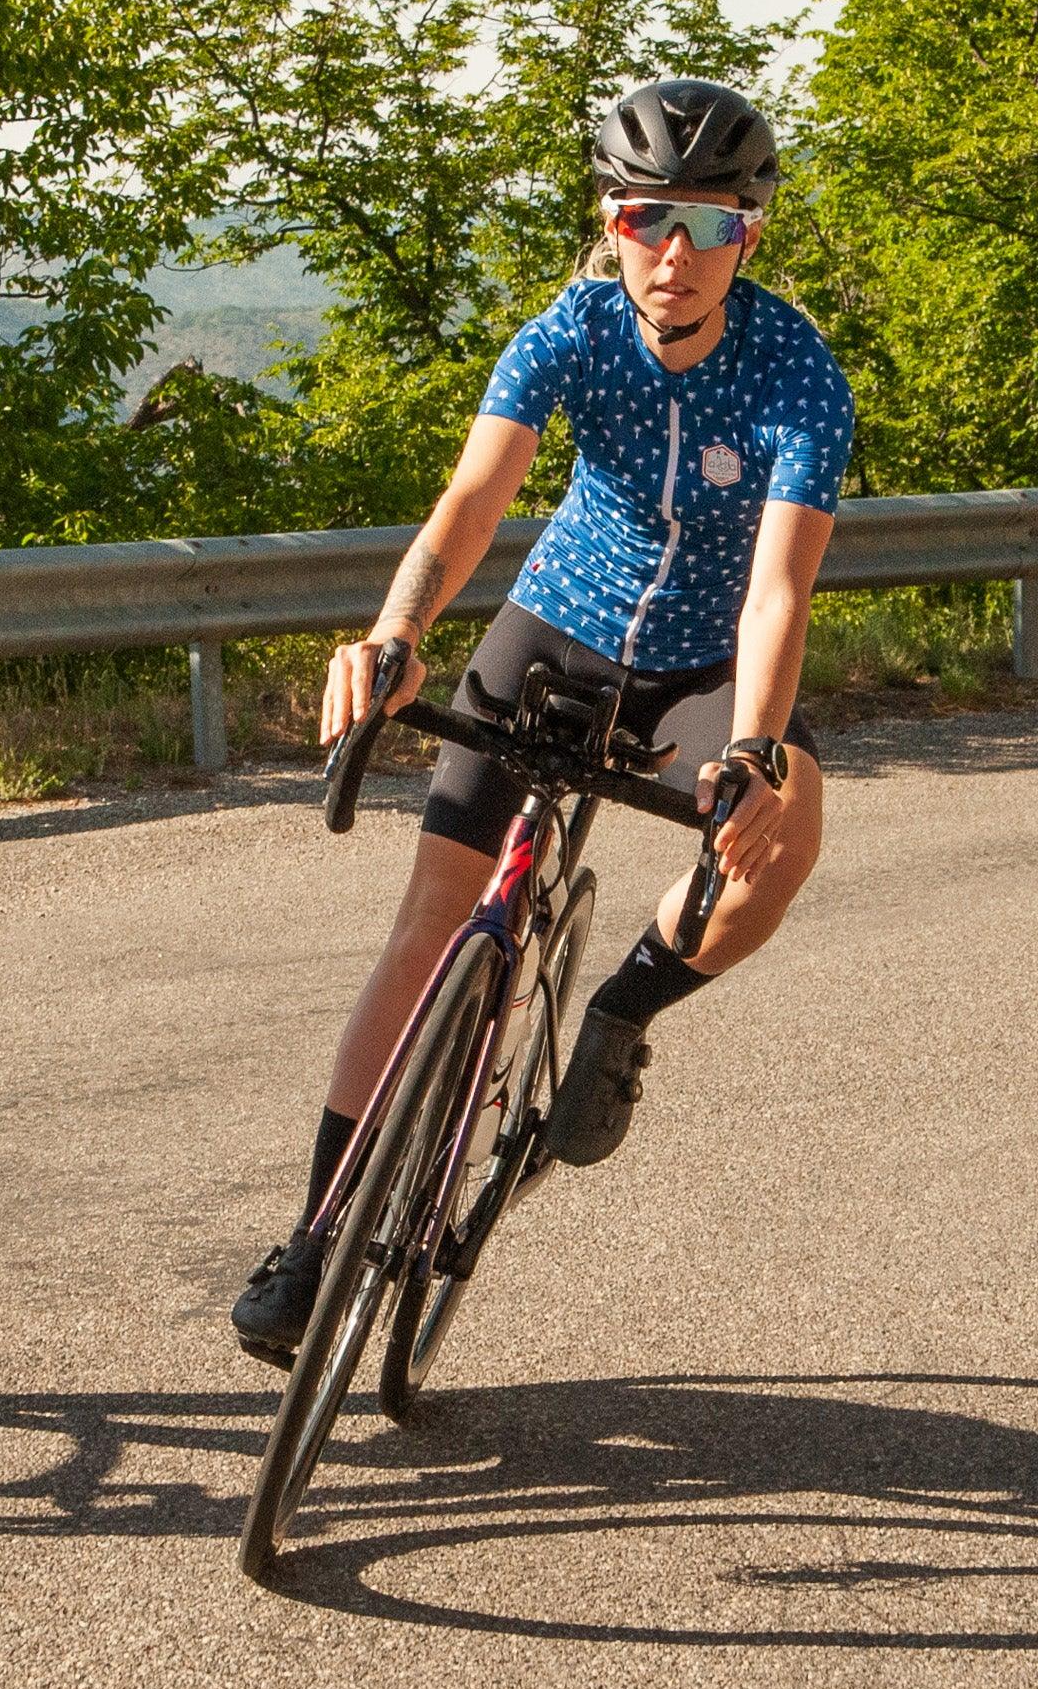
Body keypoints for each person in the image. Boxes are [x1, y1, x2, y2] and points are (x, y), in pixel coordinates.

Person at [233, 77, 855, 1363]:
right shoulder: (567, 328)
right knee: (426, 929)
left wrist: (749, 749)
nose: (672, 254)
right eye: (644, 221)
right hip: (556, 626)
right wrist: (396, 634)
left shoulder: (796, 369)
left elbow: (780, 587)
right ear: (609, 220)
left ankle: (620, 1010)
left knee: (786, 822)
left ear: (749, 233)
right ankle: (313, 1238)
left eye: (707, 225)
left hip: (699, 660)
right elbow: (472, 500)